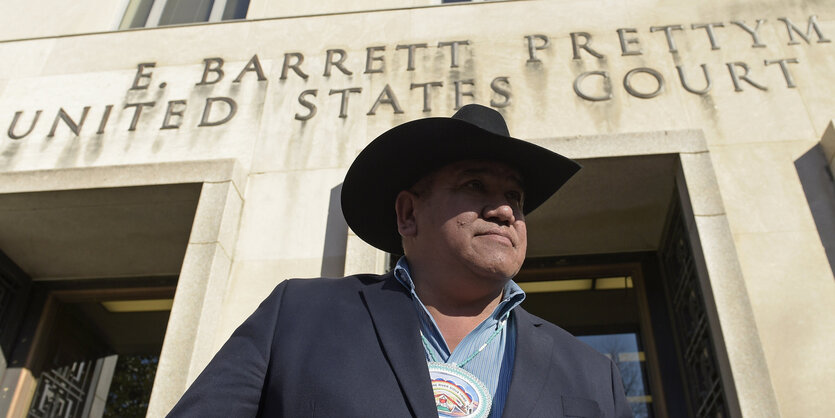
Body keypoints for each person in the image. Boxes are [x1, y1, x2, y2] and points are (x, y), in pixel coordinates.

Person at [167, 104, 632, 417]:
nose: (505, 210)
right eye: (475, 186)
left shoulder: (593, 372)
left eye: (515, 196)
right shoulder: (298, 315)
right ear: (409, 213)